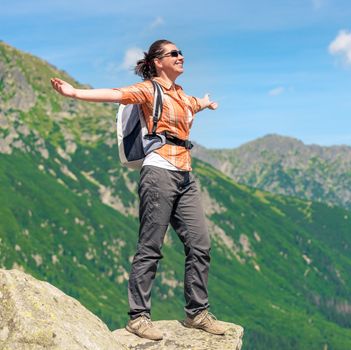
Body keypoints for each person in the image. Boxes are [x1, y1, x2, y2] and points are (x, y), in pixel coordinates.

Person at [51, 39, 226, 341]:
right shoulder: (148, 90)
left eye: (181, 52)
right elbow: (116, 94)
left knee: (200, 246)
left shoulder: (182, 95)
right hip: (159, 172)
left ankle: (197, 313)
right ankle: (138, 317)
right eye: (174, 53)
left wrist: (205, 103)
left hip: (185, 176)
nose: (181, 56)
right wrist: (75, 92)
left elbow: (192, 105)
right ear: (158, 62)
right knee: (150, 247)